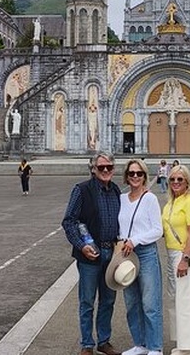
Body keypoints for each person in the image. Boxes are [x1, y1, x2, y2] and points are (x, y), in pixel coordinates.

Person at [61, 151, 123, 355]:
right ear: (93, 169)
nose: (105, 171)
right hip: (90, 255)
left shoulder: (115, 191)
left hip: (111, 254)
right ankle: (87, 344)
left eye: (109, 168)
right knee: (87, 301)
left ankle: (103, 341)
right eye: (101, 167)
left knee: (108, 300)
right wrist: (81, 245)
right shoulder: (82, 190)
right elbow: (69, 220)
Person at [119, 159, 164, 355]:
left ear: (145, 176)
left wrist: (135, 240)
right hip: (125, 255)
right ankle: (140, 344)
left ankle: (155, 347)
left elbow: (158, 230)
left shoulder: (150, 199)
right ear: (126, 177)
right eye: (131, 173)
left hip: (145, 253)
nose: (135, 177)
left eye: (139, 173)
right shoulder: (121, 199)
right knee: (131, 303)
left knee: (150, 303)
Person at [162, 163, 190, 355]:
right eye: (172, 179)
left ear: (187, 181)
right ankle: (188, 341)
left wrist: (185, 259)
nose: (176, 182)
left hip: (183, 254)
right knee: (176, 299)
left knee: (186, 300)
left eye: (180, 179)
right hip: (172, 255)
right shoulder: (172, 202)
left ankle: (189, 349)